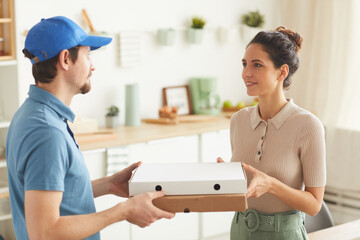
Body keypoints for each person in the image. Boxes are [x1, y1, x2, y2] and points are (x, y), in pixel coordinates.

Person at [6, 16, 174, 240]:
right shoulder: (46, 132)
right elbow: (44, 232)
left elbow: (50, 195)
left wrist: (109, 185)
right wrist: (123, 211)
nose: (93, 66)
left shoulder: (33, 114)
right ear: (66, 59)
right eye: (87, 55)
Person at [217, 26, 326, 240]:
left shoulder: (308, 125)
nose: (246, 73)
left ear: (282, 72)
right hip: (240, 229)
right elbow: (244, 191)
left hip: (283, 234)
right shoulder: (238, 121)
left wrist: (272, 185)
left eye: (257, 65)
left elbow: (314, 205)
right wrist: (224, 179)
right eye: (244, 64)